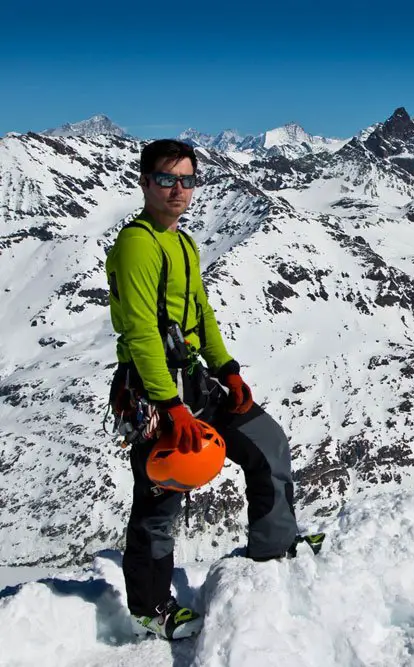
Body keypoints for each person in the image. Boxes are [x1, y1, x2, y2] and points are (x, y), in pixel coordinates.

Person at [105, 139, 299, 640]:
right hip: (157, 395)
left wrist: (228, 369)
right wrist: (170, 406)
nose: (178, 190)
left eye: (187, 180)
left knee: (267, 444)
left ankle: (274, 549)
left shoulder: (183, 243)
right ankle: (151, 608)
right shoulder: (138, 245)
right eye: (167, 179)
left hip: (200, 383)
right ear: (146, 182)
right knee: (161, 499)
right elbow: (142, 333)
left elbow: (201, 314)